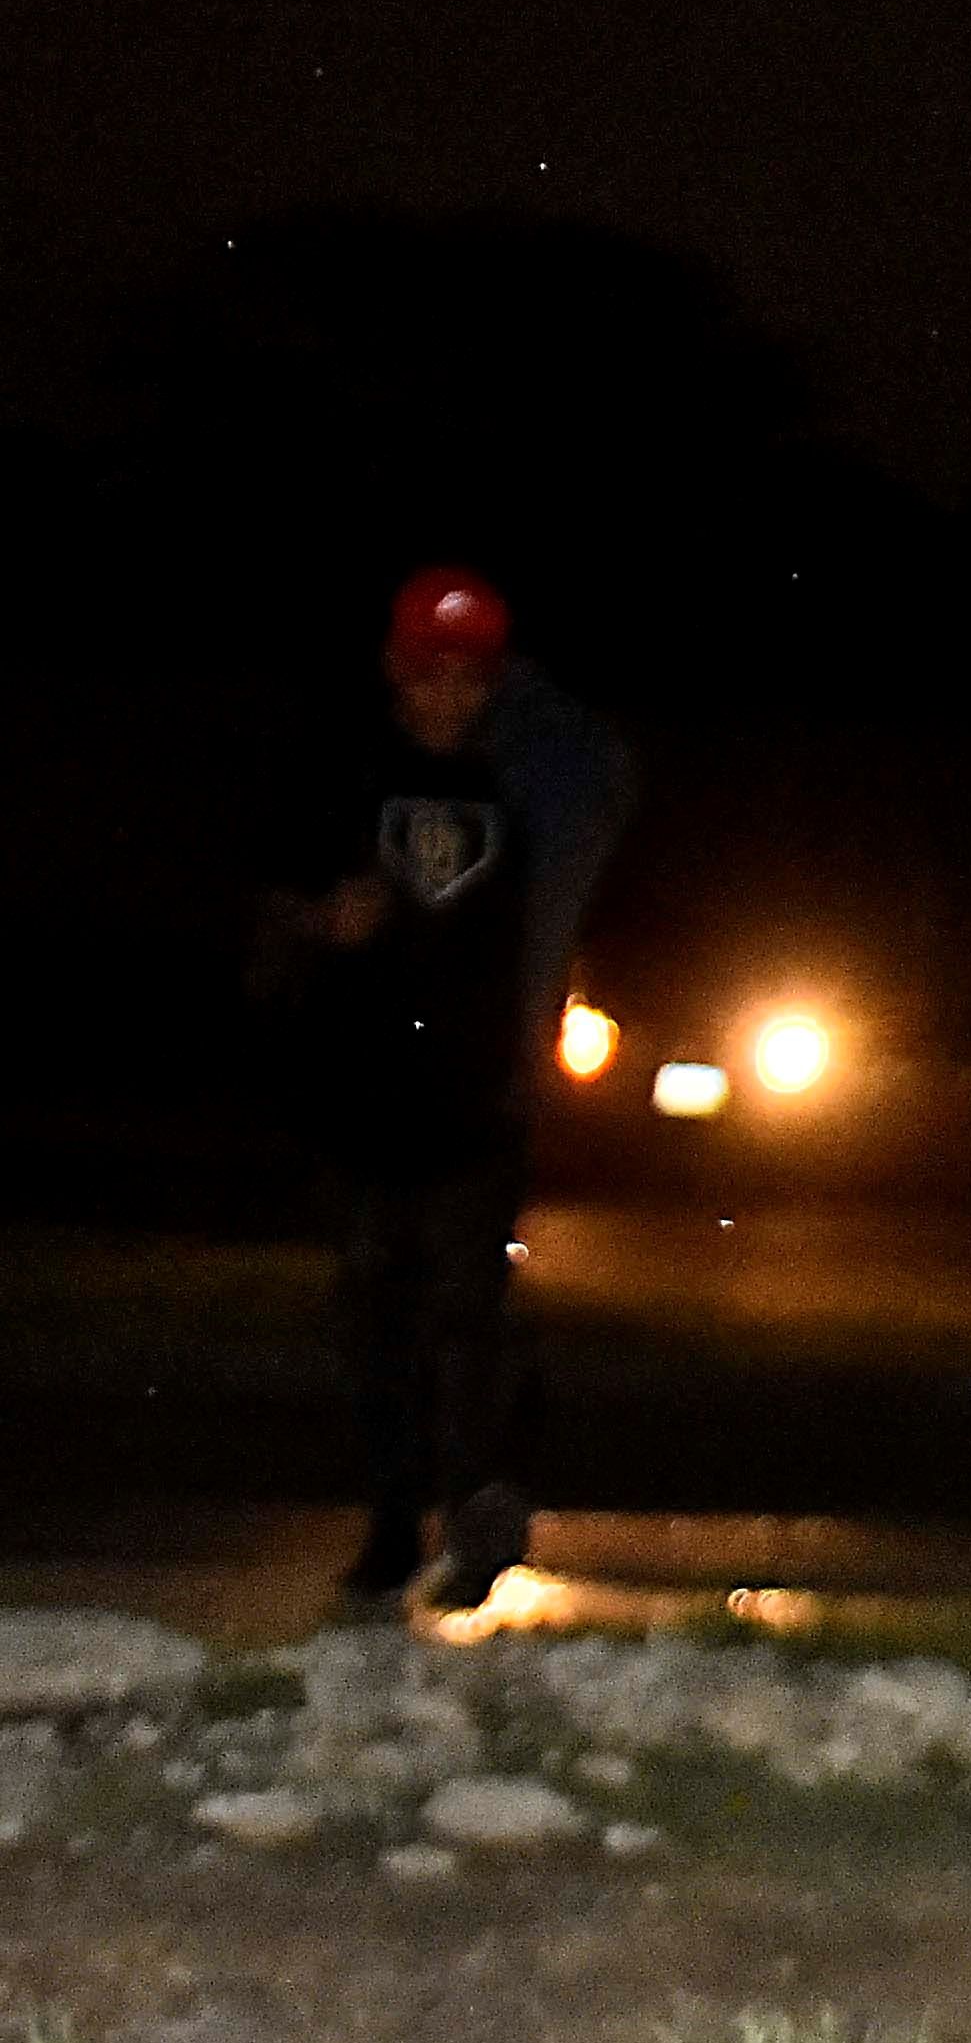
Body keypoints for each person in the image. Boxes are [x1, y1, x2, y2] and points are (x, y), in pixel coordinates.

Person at [252, 569, 633, 1614]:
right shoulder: (345, 771)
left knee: (469, 1312)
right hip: (361, 1084)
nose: (447, 693)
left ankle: (477, 1512)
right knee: (376, 1311)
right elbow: (269, 898)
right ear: (394, 668)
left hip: (478, 1087)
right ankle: (390, 1522)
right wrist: (323, 923)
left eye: (469, 674)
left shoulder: (531, 777)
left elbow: (595, 804)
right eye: (430, 670)